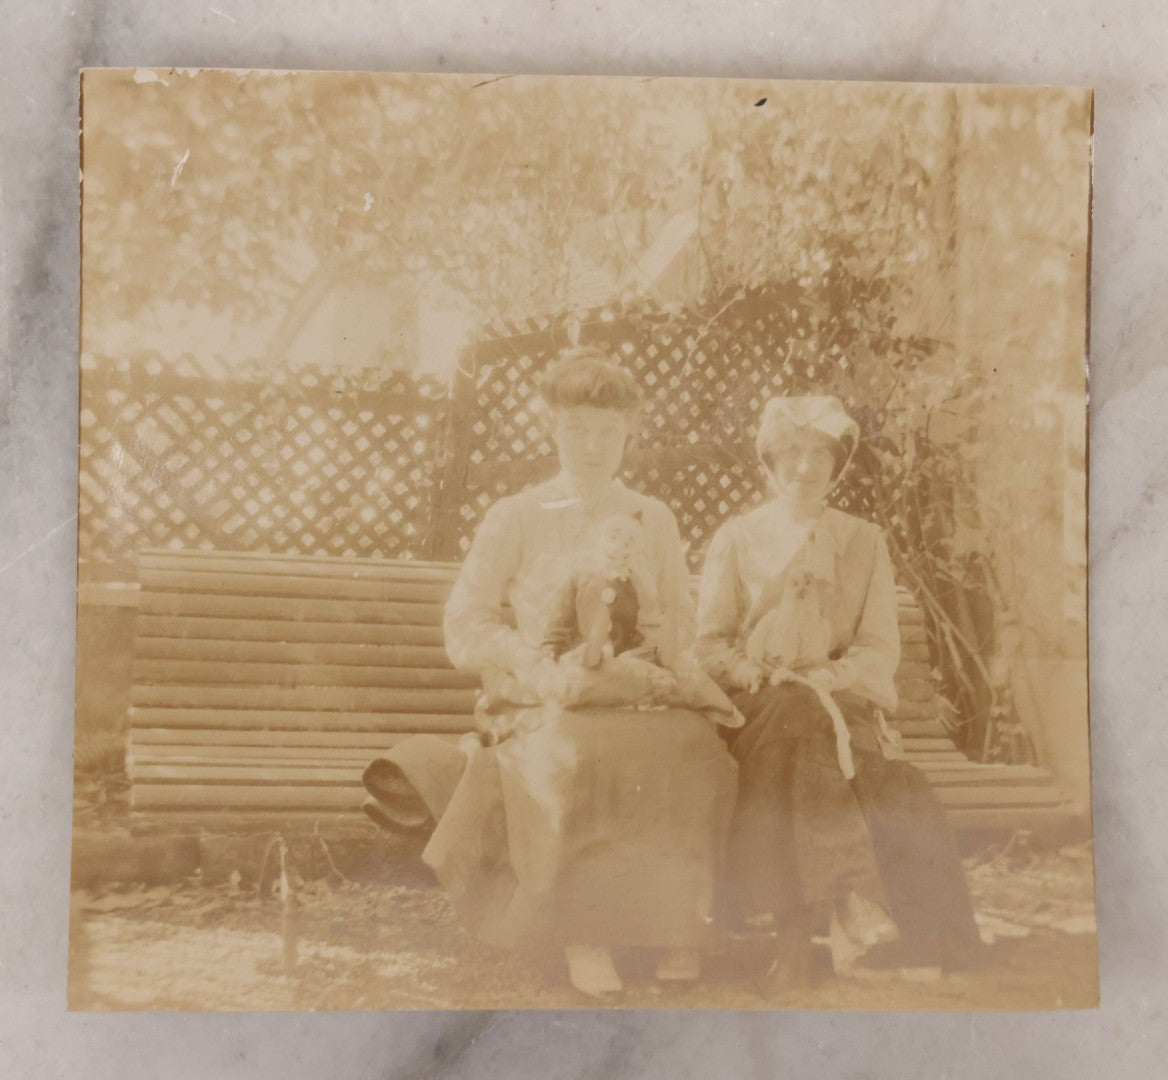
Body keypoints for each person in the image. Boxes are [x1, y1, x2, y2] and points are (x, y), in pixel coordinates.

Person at [362, 348, 737, 997]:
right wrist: (530, 663)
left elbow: (678, 617)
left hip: (633, 693)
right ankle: (581, 929)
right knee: (573, 753)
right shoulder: (518, 514)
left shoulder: (654, 516)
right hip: (542, 695)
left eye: (606, 431)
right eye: (575, 429)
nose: (591, 446)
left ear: (630, 432)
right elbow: (467, 622)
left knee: (695, 747)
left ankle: (675, 921)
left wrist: (665, 666)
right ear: (551, 429)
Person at [693, 394, 982, 993]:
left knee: (880, 773)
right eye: (791, 454)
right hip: (759, 703)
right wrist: (750, 670)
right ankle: (850, 917)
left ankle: (796, 939)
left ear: (837, 465)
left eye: (819, 454)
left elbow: (878, 647)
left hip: (838, 702)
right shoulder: (738, 537)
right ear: (768, 463)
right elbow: (710, 645)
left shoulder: (863, 540)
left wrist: (834, 676)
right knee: (795, 721)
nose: (804, 467)